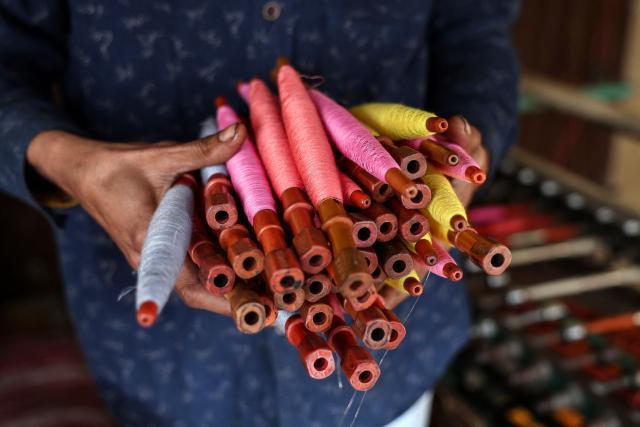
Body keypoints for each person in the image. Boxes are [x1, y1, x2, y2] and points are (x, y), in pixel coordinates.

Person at [0, 1, 519, 425]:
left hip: (399, 354)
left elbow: (474, 28)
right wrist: (67, 162)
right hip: (163, 372)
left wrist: (470, 150)